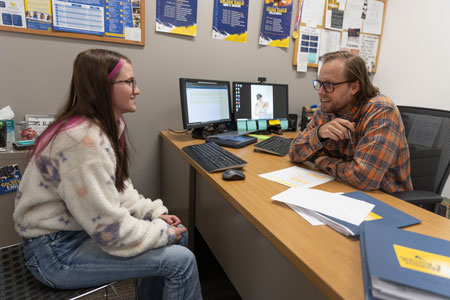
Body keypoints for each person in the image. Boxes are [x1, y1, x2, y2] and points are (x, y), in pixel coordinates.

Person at [13, 49, 202, 300]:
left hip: (78, 232)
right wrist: (161, 232)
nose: (137, 90)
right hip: (55, 254)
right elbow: (110, 231)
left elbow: (117, 188)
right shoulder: (83, 140)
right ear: (103, 87)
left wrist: (154, 214)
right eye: (130, 82)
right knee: (182, 261)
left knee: (180, 235)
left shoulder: (106, 126)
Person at [289, 51, 413, 193]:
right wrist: (319, 133)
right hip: (342, 189)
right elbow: (294, 152)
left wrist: (320, 160)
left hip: (387, 201)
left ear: (354, 87)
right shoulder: (326, 109)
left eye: (329, 85)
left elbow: (363, 179)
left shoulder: (381, 111)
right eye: (320, 83)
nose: (321, 92)